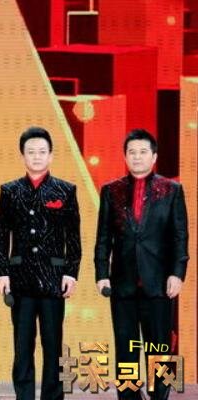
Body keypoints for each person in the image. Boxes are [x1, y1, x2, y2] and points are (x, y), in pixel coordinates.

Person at [94, 129, 189, 400]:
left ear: (154, 156)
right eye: (132, 152)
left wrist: (177, 273)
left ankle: (160, 396)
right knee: (126, 349)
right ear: (125, 156)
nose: (137, 157)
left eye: (143, 152)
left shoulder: (171, 190)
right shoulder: (111, 190)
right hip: (122, 283)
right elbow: (103, 237)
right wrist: (102, 274)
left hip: (159, 283)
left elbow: (180, 236)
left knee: (160, 348)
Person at [0, 127, 81, 400]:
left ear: (51, 155)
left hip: (54, 279)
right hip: (19, 280)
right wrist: (2, 272)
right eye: (31, 152)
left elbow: (73, 237)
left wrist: (71, 273)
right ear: (23, 156)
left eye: (42, 152)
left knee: (53, 345)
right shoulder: (10, 191)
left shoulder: (65, 190)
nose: (36, 156)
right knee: (22, 347)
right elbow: (1, 236)